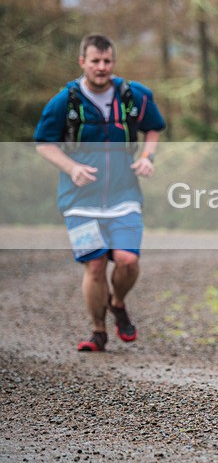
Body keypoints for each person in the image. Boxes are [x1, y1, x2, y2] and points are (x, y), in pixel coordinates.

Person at [34, 34, 166, 352]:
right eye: (95, 61)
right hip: (80, 201)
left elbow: (153, 128)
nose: (101, 67)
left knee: (128, 261)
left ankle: (117, 303)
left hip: (124, 197)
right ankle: (98, 332)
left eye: (107, 61)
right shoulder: (65, 101)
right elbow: (43, 143)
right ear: (83, 62)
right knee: (94, 265)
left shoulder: (133, 95)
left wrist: (147, 157)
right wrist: (71, 168)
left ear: (113, 63)